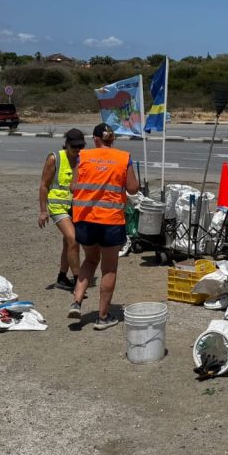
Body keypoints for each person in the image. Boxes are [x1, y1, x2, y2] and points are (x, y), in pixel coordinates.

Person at [68, 123, 139, 329]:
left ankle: (77, 301)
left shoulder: (83, 156)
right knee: (109, 268)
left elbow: (73, 187)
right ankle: (102, 317)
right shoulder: (124, 158)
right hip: (110, 221)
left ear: (95, 139)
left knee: (90, 260)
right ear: (112, 139)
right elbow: (133, 189)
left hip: (85, 219)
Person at [38, 129, 85, 290]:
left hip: (75, 207)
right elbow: (44, 185)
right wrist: (43, 211)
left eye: (80, 147)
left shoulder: (82, 159)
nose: (77, 150)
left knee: (67, 242)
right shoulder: (55, 158)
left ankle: (62, 278)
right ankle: (78, 281)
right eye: (74, 147)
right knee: (73, 239)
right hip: (57, 206)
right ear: (66, 144)